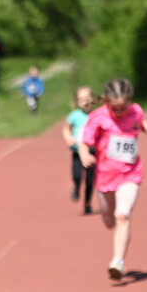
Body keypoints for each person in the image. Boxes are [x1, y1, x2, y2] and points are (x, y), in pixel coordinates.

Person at [79, 79, 147, 280]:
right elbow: (85, 142)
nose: (119, 113)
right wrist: (85, 154)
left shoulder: (135, 111)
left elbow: (142, 123)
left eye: (123, 108)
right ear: (106, 102)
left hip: (130, 173)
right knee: (109, 220)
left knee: (123, 215)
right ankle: (112, 224)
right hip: (105, 177)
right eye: (115, 108)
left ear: (130, 102)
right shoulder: (97, 117)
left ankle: (117, 261)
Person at [62, 85, 97, 215]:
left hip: (92, 152)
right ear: (77, 102)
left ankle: (87, 205)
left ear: (93, 99)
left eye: (88, 98)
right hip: (77, 152)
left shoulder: (97, 115)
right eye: (82, 99)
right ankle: (76, 187)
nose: (85, 102)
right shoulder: (74, 116)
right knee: (77, 175)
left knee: (90, 181)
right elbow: (66, 129)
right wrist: (68, 138)